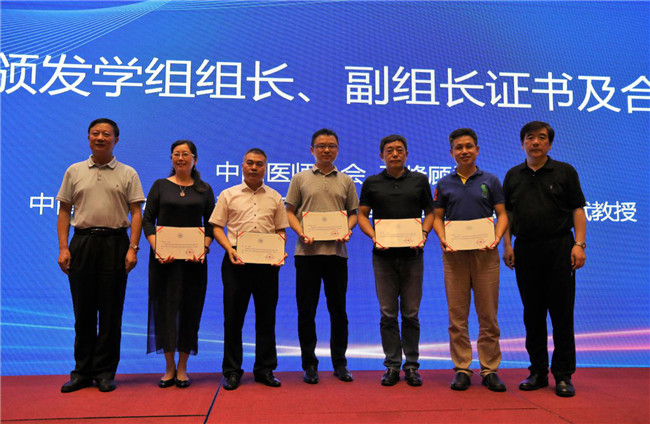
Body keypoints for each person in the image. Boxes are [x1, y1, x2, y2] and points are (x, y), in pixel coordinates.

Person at [56, 118, 145, 393]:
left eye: (106, 134)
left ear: (116, 140)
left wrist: (133, 248)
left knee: (110, 312)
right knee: (82, 312)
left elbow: (136, 212)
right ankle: (82, 372)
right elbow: (64, 210)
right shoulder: (74, 170)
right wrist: (63, 247)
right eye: (95, 133)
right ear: (88, 138)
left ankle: (105, 372)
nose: (100, 138)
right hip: (82, 242)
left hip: (115, 243)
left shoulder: (128, 172)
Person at [502, 121, 586, 398]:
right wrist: (507, 245)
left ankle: (563, 374)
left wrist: (579, 244)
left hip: (560, 248)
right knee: (533, 314)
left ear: (549, 143)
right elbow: (507, 215)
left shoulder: (564, 171)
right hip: (525, 249)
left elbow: (577, 210)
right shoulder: (513, 175)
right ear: (522, 143)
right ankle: (537, 371)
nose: (535, 142)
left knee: (562, 314)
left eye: (541, 138)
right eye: (530, 138)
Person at [432, 128, 508, 392]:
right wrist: (443, 238)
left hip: (485, 254)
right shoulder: (444, 184)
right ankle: (462, 368)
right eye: (458, 148)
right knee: (457, 316)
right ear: (451, 152)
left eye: (468, 146)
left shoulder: (491, 180)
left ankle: (490, 369)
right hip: (454, 256)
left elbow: (502, 214)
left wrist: (496, 238)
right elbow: (437, 217)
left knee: (488, 315)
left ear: (477, 149)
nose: (464, 151)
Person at [209, 148, 289, 391]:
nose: (254, 168)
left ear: (266, 168)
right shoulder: (228, 194)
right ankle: (232, 371)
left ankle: (265, 369)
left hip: (267, 263)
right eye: (250, 163)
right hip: (236, 260)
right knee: (233, 318)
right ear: (242, 165)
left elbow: (280, 229)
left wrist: (280, 251)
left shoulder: (275, 197)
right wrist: (228, 249)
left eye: (259, 164)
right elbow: (216, 227)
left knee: (266, 318)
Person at [358, 134, 434, 387]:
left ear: (407, 154)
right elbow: (362, 215)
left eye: (399, 150)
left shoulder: (419, 180)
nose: (395, 154)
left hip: (413, 257)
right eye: (389, 150)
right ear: (382, 156)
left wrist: (424, 234)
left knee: (411, 314)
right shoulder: (372, 183)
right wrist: (374, 236)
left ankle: (411, 366)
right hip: (383, 258)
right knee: (388, 314)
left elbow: (431, 213)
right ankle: (392, 365)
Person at [285, 129, 359, 384]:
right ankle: (309, 364)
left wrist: (347, 230)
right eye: (321, 146)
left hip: (337, 254)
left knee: (338, 311)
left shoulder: (346, 180)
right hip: (306, 254)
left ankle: (340, 363)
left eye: (331, 146)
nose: (326, 150)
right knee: (306, 311)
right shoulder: (300, 178)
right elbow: (290, 212)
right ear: (312, 150)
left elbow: (353, 214)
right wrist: (301, 232)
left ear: (337, 149)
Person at [142, 140, 215, 389]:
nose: (180, 158)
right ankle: (169, 367)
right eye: (176, 154)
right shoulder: (160, 186)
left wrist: (204, 248)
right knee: (165, 310)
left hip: (194, 263)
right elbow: (148, 221)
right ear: (171, 158)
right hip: (164, 262)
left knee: (189, 311)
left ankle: (183, 368)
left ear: (195, 159)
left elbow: (212, 224)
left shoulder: (204, 189)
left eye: (185, 154)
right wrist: (158, 248)